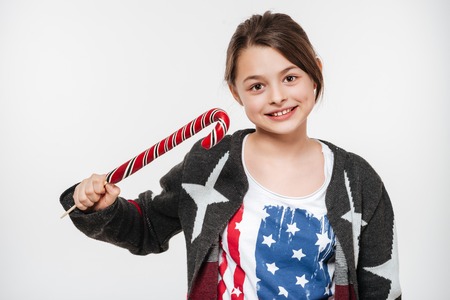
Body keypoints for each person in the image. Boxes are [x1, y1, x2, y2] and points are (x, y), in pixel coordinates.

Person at [60, 11, 401, 300]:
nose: (278, 96)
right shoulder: (211, 164)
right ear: (236, 93)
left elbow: (381, 287)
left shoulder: (358, 181)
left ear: (316, 73)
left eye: (291, 77)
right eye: (257, 86)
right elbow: (147, 226)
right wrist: (102, 209)